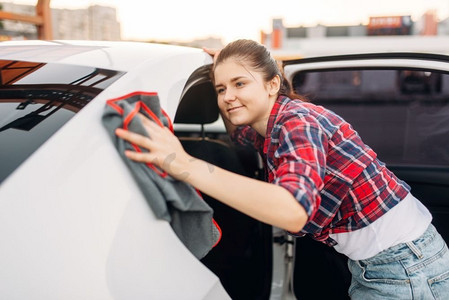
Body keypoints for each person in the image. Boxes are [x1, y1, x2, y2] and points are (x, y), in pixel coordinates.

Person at [115, 39, 449, 299]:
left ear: (273, 84)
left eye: (240, 84)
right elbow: (238, 131)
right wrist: (225, 67)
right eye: (220, 88)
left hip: (404, 267)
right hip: (389, 260)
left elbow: (292, 212)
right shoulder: (268, 126)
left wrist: (181, 162)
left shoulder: (297, 123)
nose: (228, 97)